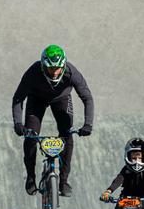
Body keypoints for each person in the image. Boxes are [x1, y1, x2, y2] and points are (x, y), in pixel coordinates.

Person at [12, 44, 94, 198]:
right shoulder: (33, 72)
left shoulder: (71, 72)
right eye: (51, 68)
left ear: (63, 65)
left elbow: (87, 98)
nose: (55, 72)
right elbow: (18, 98)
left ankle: (63, 181)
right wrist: (18, 123)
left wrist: (88, 124)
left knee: (67, 134)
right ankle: (31, 177)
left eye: (58, 68)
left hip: (61, 99)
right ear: (43, 66)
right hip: (36, 99)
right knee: (30, 136)